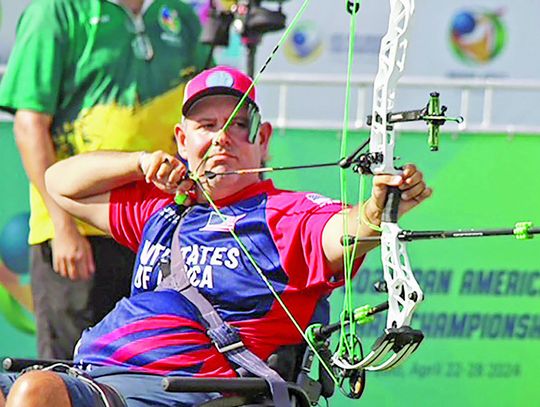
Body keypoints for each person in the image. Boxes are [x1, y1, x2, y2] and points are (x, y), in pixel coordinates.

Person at [0, 65, 432, 407]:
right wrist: (140, 162)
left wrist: (380, 208)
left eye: (237, 125)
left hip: (181, 391)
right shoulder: (162, 209)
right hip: (92, 371)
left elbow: (346, 232)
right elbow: (60, 182)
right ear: (182, 140)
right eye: (206, 126)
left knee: (36, 395)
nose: (222, 138)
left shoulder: (284, 215)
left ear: (261, 140)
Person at [0, 0, 210, 359]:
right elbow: (30, 125)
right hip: (79, 233)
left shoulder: (179, 15)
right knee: (67, 376)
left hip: (156, 232)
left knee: (146, 371)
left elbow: (207, 117)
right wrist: (63, 225)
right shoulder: (56, 11)